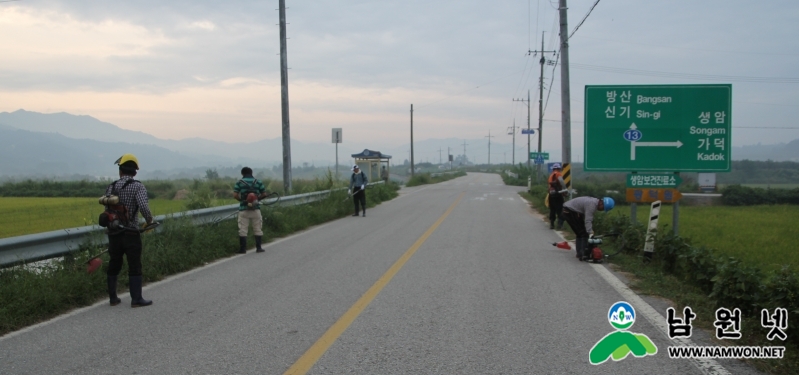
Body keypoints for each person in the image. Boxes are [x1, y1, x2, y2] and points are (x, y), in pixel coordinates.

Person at [105, 153, 154, 308]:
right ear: (135, 172)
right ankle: (136, 299)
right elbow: (144, 207)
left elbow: (107, 209)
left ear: (121, 171)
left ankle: (113, 298)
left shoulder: (111, 187)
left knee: (114, 263)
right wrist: (149, 221)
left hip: (114, 233)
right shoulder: (138, 186)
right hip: (131, 232)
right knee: (134, 265)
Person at [562, 196, 615, 261]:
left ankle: (580, 253)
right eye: (603, 208)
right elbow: (588, 220)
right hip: (569, 211)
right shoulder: (592, 205)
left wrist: (590, 231)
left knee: (580, 233)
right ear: (601, 203)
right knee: (583, 234)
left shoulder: (594, 202)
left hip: (570, 210)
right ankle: (583, 254)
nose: (602, 210)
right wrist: (590, 232)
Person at [233, 167, 268, 254]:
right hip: (256, 210)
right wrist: (256, 200)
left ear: (242, 174)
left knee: (243, 229)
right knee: (257, 228)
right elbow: (264, 194)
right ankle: (259, 248)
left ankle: (243, 249)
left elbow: (235, 195)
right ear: (252, 173)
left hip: (243, 209)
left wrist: (243, 201)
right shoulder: (258, 182)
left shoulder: (239, 182)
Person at [547, 163, 567, 230]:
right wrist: (565, 191)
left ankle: (552, 224)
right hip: (558, 194)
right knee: (560, 209)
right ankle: (560, 224)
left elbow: (549, 186)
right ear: (559, 169)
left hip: (551, 195)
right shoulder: (558, 174)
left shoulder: (551, 175)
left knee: (552, 209)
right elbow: (562, 183)